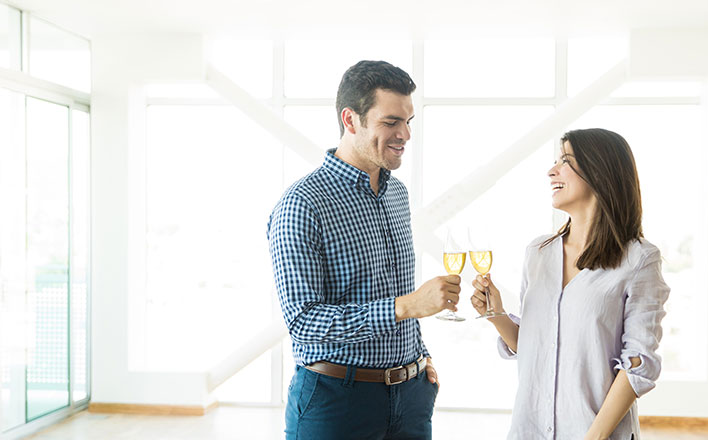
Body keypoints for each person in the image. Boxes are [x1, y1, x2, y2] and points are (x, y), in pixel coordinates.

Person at [267, 60, 461, 440]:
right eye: (390, 122)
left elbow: (392, 285)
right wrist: (404, 307)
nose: (405, 134)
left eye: (409, 121)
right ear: (350, 119)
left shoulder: (396, 194)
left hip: (411, 397)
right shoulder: (302, 204)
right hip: (336, 403)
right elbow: (304, 323)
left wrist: (419, 358)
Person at [470, 128, 670, 440]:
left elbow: (637, 366)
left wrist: (593, 437)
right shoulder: (538, 253)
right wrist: (496, 314)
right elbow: (536, 348)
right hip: (529, 431)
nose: (552, 170)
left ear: (600, 172)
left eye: (566, 161)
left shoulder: (639, 259)